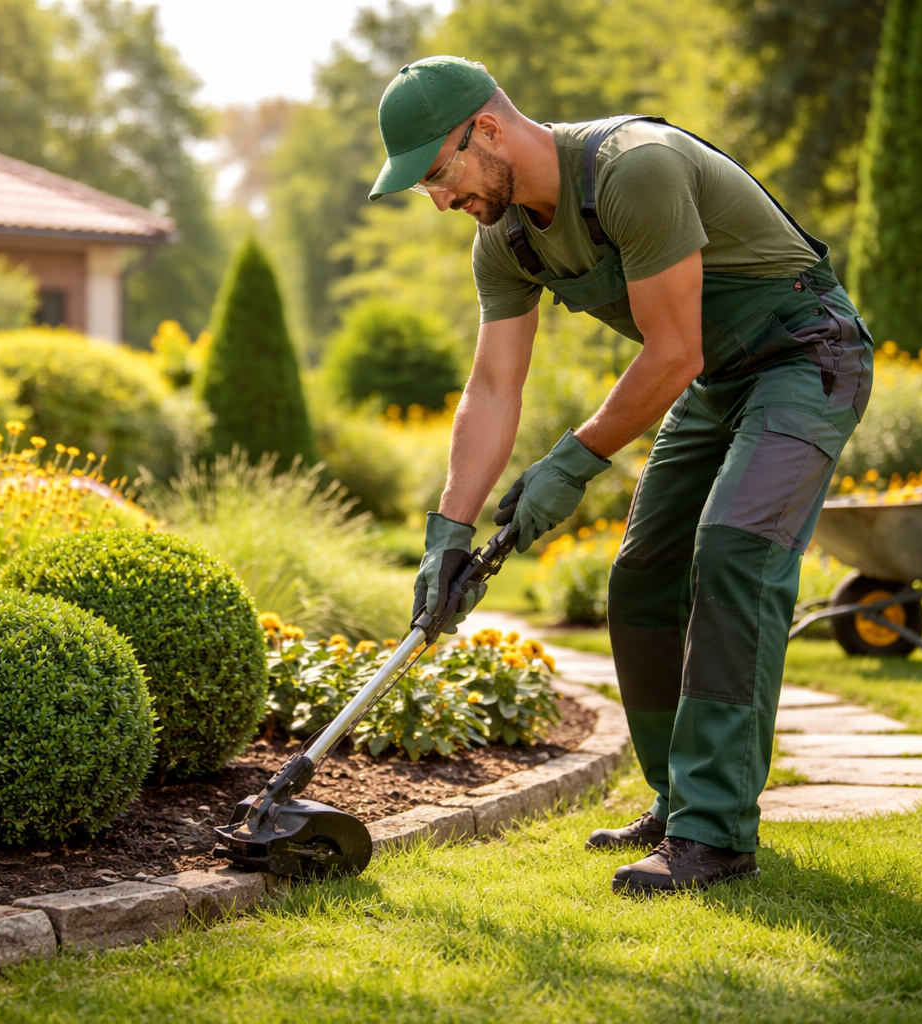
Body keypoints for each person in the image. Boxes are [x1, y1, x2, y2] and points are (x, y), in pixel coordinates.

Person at [371, 57, 872, 893]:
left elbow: (672, 350)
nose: (439, 198)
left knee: (734, 550)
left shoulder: (633, 170)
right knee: (642, 574)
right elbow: (493, 386)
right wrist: (448, 536)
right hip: (717, 379)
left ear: (487, 130)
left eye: (437, 173)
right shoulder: (505, 240)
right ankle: (678, 803)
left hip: (805, 354)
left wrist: (571, 463)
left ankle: (715, 835)